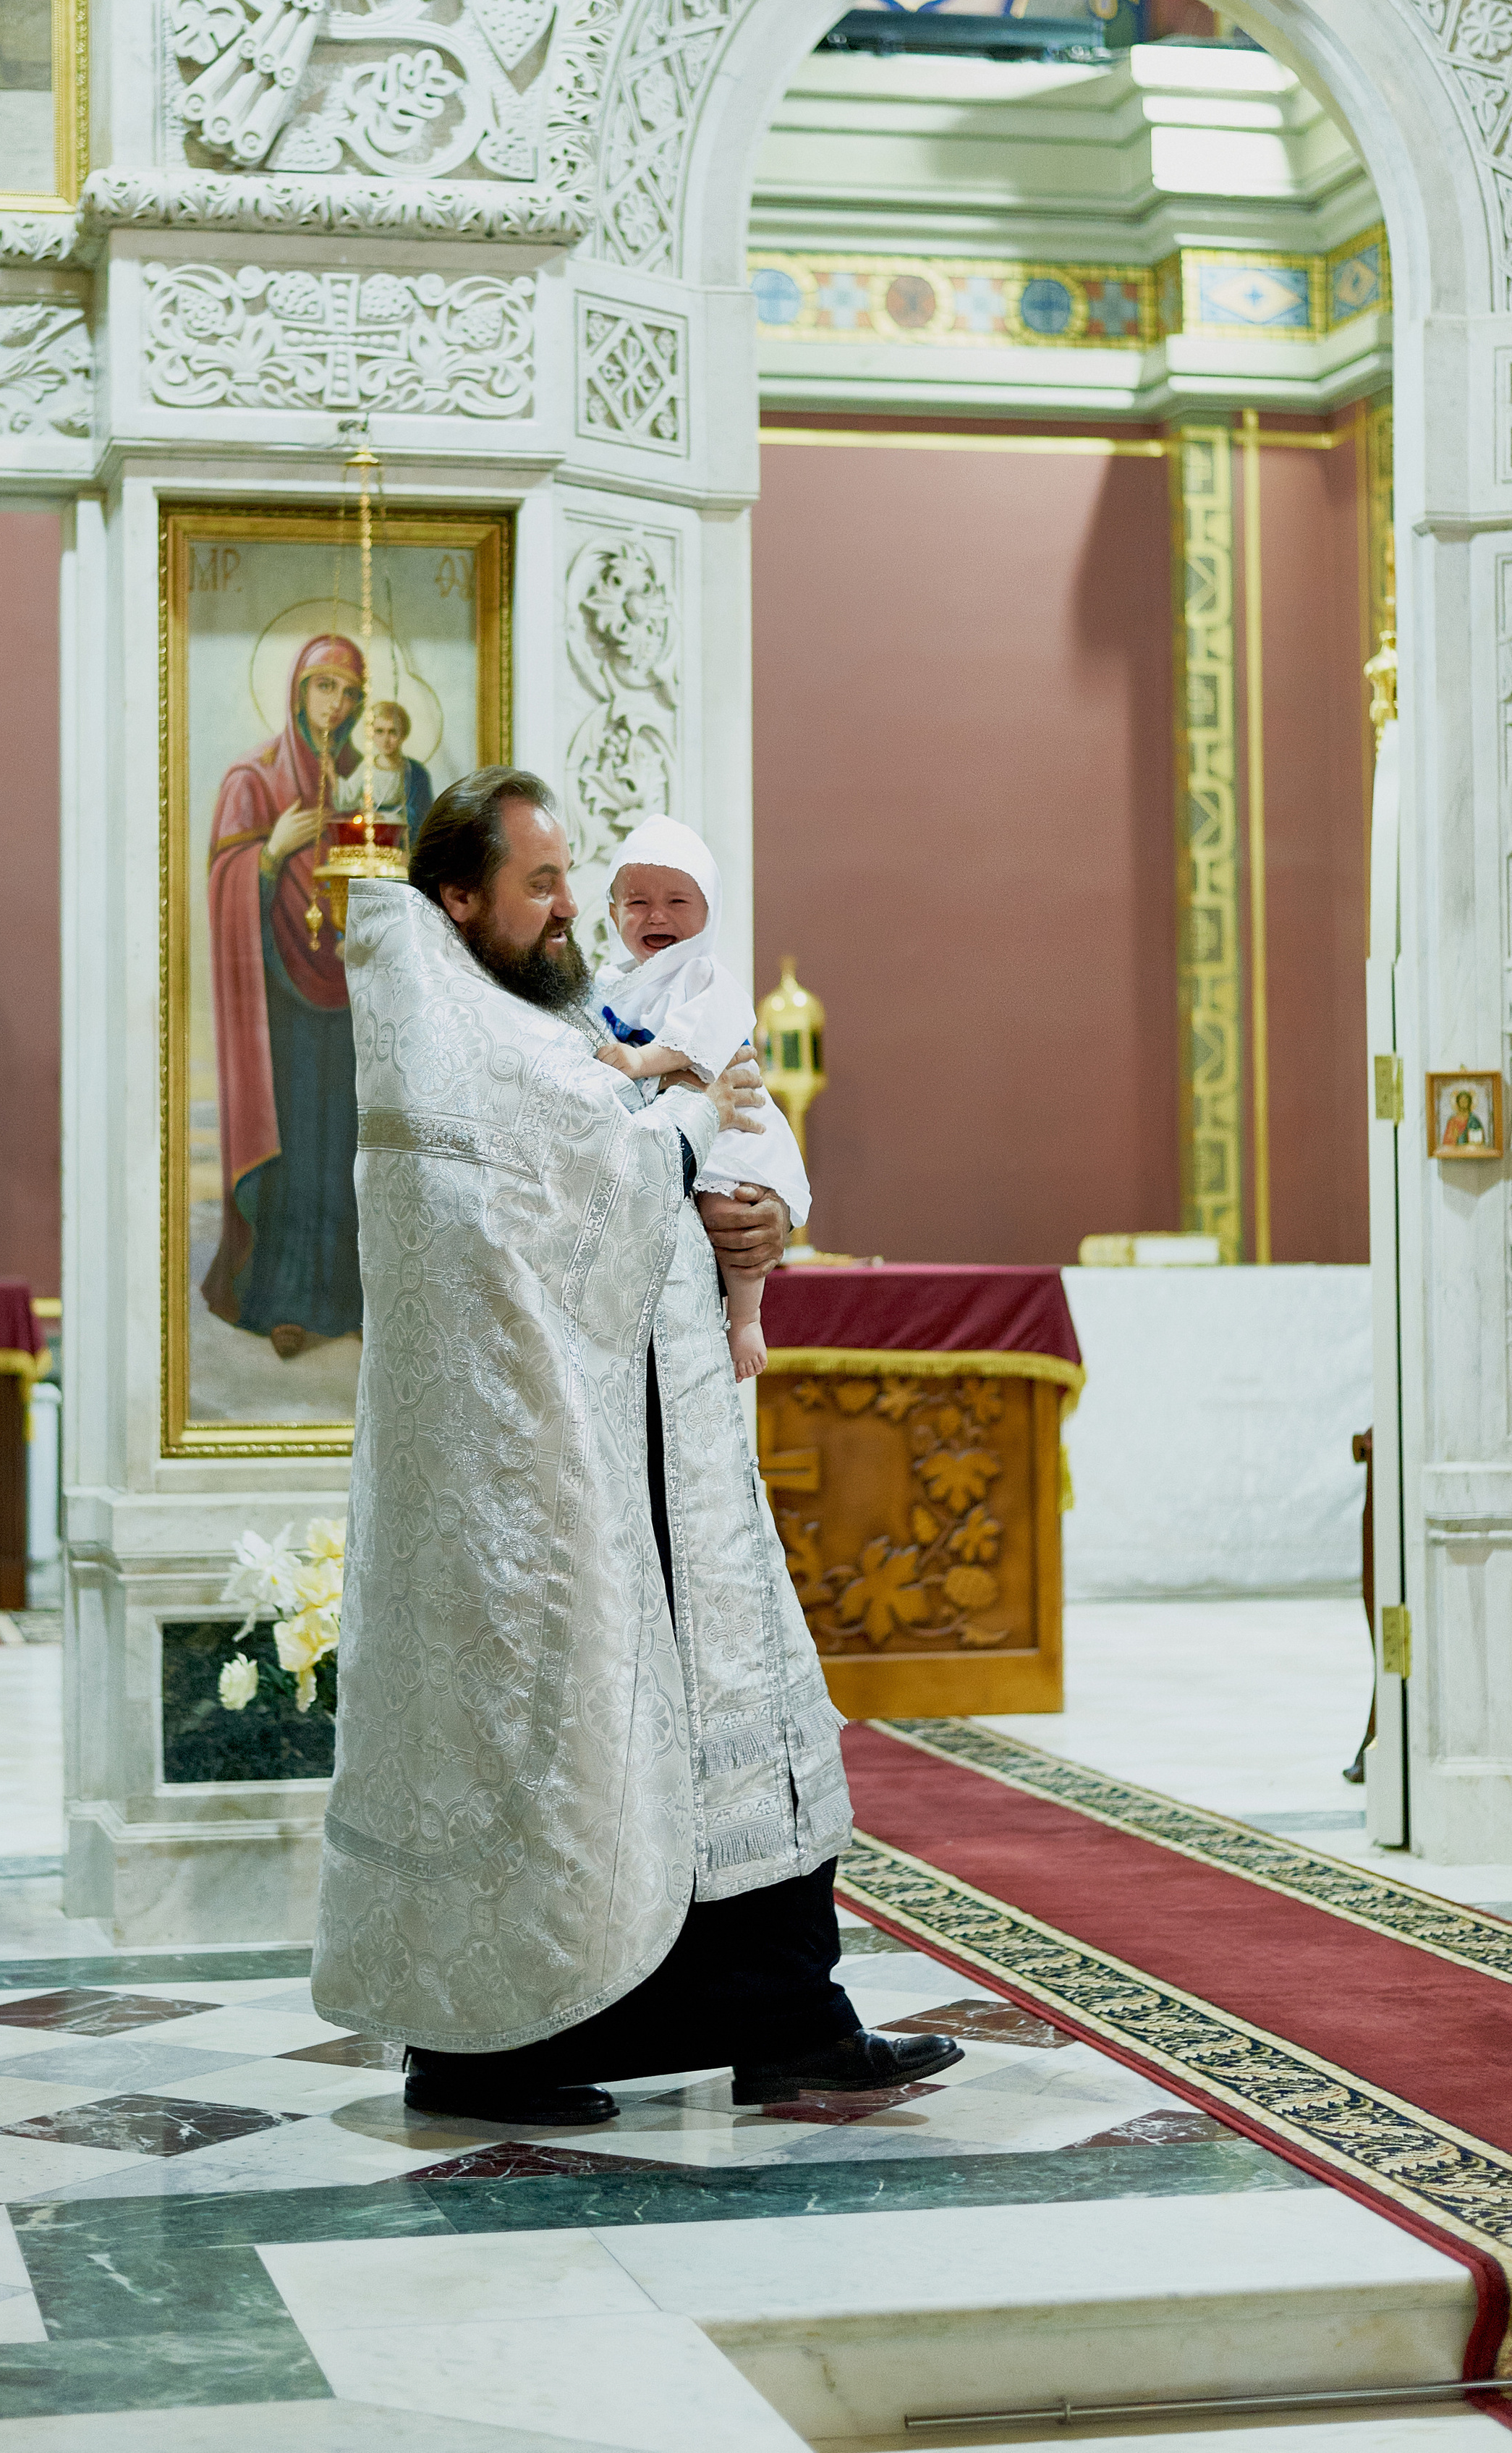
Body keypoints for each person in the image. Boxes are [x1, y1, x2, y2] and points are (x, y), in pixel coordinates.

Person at [311, 766, 964, 2124]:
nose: (568, 910)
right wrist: (686, 1120)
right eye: (541, 883)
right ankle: (494, 2050)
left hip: (663, 1441)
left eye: (569, 877)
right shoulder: (450, 1030)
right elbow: (598, 1178)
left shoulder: (550, 1019)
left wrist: (759, 1217)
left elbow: (677, 1150)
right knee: (561, 1750)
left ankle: (786, 2020)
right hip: (545, 1490)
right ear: (459, 897)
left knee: (745, 1705)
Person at [593, 813, 810, 1380]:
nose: (655, 915)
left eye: (678, 903)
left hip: (727, 1138)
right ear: (612, 912)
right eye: (636, 902)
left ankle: (745, 1318)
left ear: (710, 912)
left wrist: (639, 1062)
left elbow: (694, 1045)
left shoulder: (706, 978)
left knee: (730, 1214)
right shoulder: (603, 987)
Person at [203, 632, 367, 1358]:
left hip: (356, 993)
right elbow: (224, 885)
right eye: (323, 687)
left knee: (347, 1147)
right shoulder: (254, 778)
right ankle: (285, 1302)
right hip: (283, 999)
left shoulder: (372, 777)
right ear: (298, 692)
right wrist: (271, 852)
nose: (336, 705)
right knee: (297, 1147)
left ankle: (348, 1299)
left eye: (348, 692)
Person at [357, 700, 433, 848]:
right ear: (371, 733)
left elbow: (421, 815)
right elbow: (349, 803)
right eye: (379, 731)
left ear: (403, 735)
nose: (386, 740)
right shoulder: (365, 768)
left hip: (404, 843)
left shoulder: (416, 773)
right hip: (368, 841)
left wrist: (385, 818)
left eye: (393, 732)